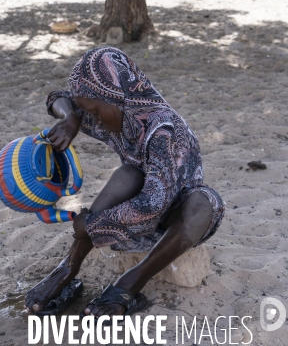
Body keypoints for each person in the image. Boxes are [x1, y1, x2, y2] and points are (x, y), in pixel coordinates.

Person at [25, 47, 224, 318]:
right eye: (87, 112)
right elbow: (57, 97)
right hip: (133, 215)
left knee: (205, 203)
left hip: (175, 218)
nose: (92, 119)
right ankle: (67, 269)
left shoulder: (163, 130)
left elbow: (153, 205)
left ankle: (129, 285)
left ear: (115, 96)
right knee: (128, 174)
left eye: (94, 111)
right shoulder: (112, 109)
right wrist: (70, 117)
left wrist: (92, 225)